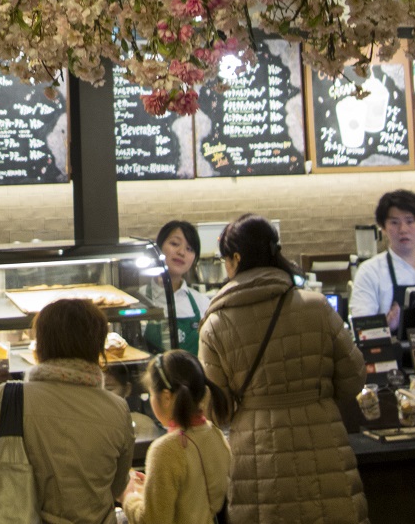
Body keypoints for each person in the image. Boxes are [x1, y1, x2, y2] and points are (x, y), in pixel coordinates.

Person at [199, 214, 368, 524]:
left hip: (257, 459)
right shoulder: (316, 306)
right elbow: (354, 377)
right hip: (323, 446)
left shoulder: (215, 324)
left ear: (236, 259)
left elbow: (217, 409)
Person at [0, 298, 134, 524]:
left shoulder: (8, 398)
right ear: (98, 349)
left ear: (40, 347)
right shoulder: (118, 410)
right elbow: (117, 487)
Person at [121, 349, 231, 524]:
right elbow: (198, 495)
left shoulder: (166, 449)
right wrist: (152, 488)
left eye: (151, 393)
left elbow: (152, 520)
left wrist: (128, 496)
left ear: (166, 397)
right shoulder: (215, 434)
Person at [347, 189, 415, 332]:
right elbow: (360, 329)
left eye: (410, 221)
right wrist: (387, 326)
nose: (403, 229)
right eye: (394, 222)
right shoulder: (369, 271)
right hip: (393, 347)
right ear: (383, 228)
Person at [145, 220, 210, 355]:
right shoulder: (138, 300)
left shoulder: (203, 304)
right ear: (158, 248)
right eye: (174, 244)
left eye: (189, 249)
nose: (181, 252)